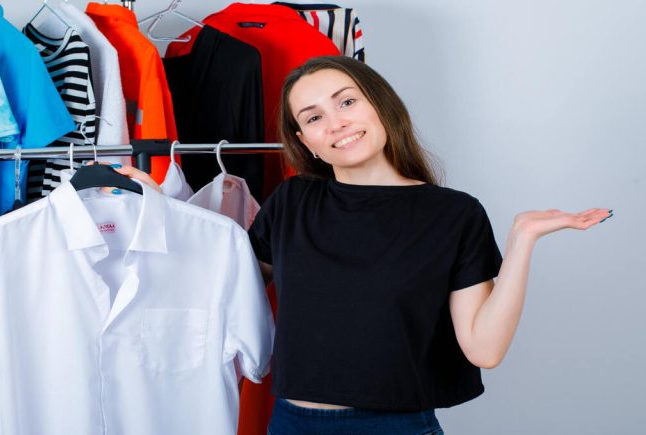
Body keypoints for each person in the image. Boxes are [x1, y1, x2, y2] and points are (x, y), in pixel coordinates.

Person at [113, 56, 612, 435]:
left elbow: (484, 349)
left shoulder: (453, 214)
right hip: (292, 423)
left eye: (347, 102)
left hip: (396, 426)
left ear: (379, 105)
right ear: (305, 141)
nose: (336, 124)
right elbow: (216, 283)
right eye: (312, 117)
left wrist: (522, 239)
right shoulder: (293, 201)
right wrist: (164, 212)